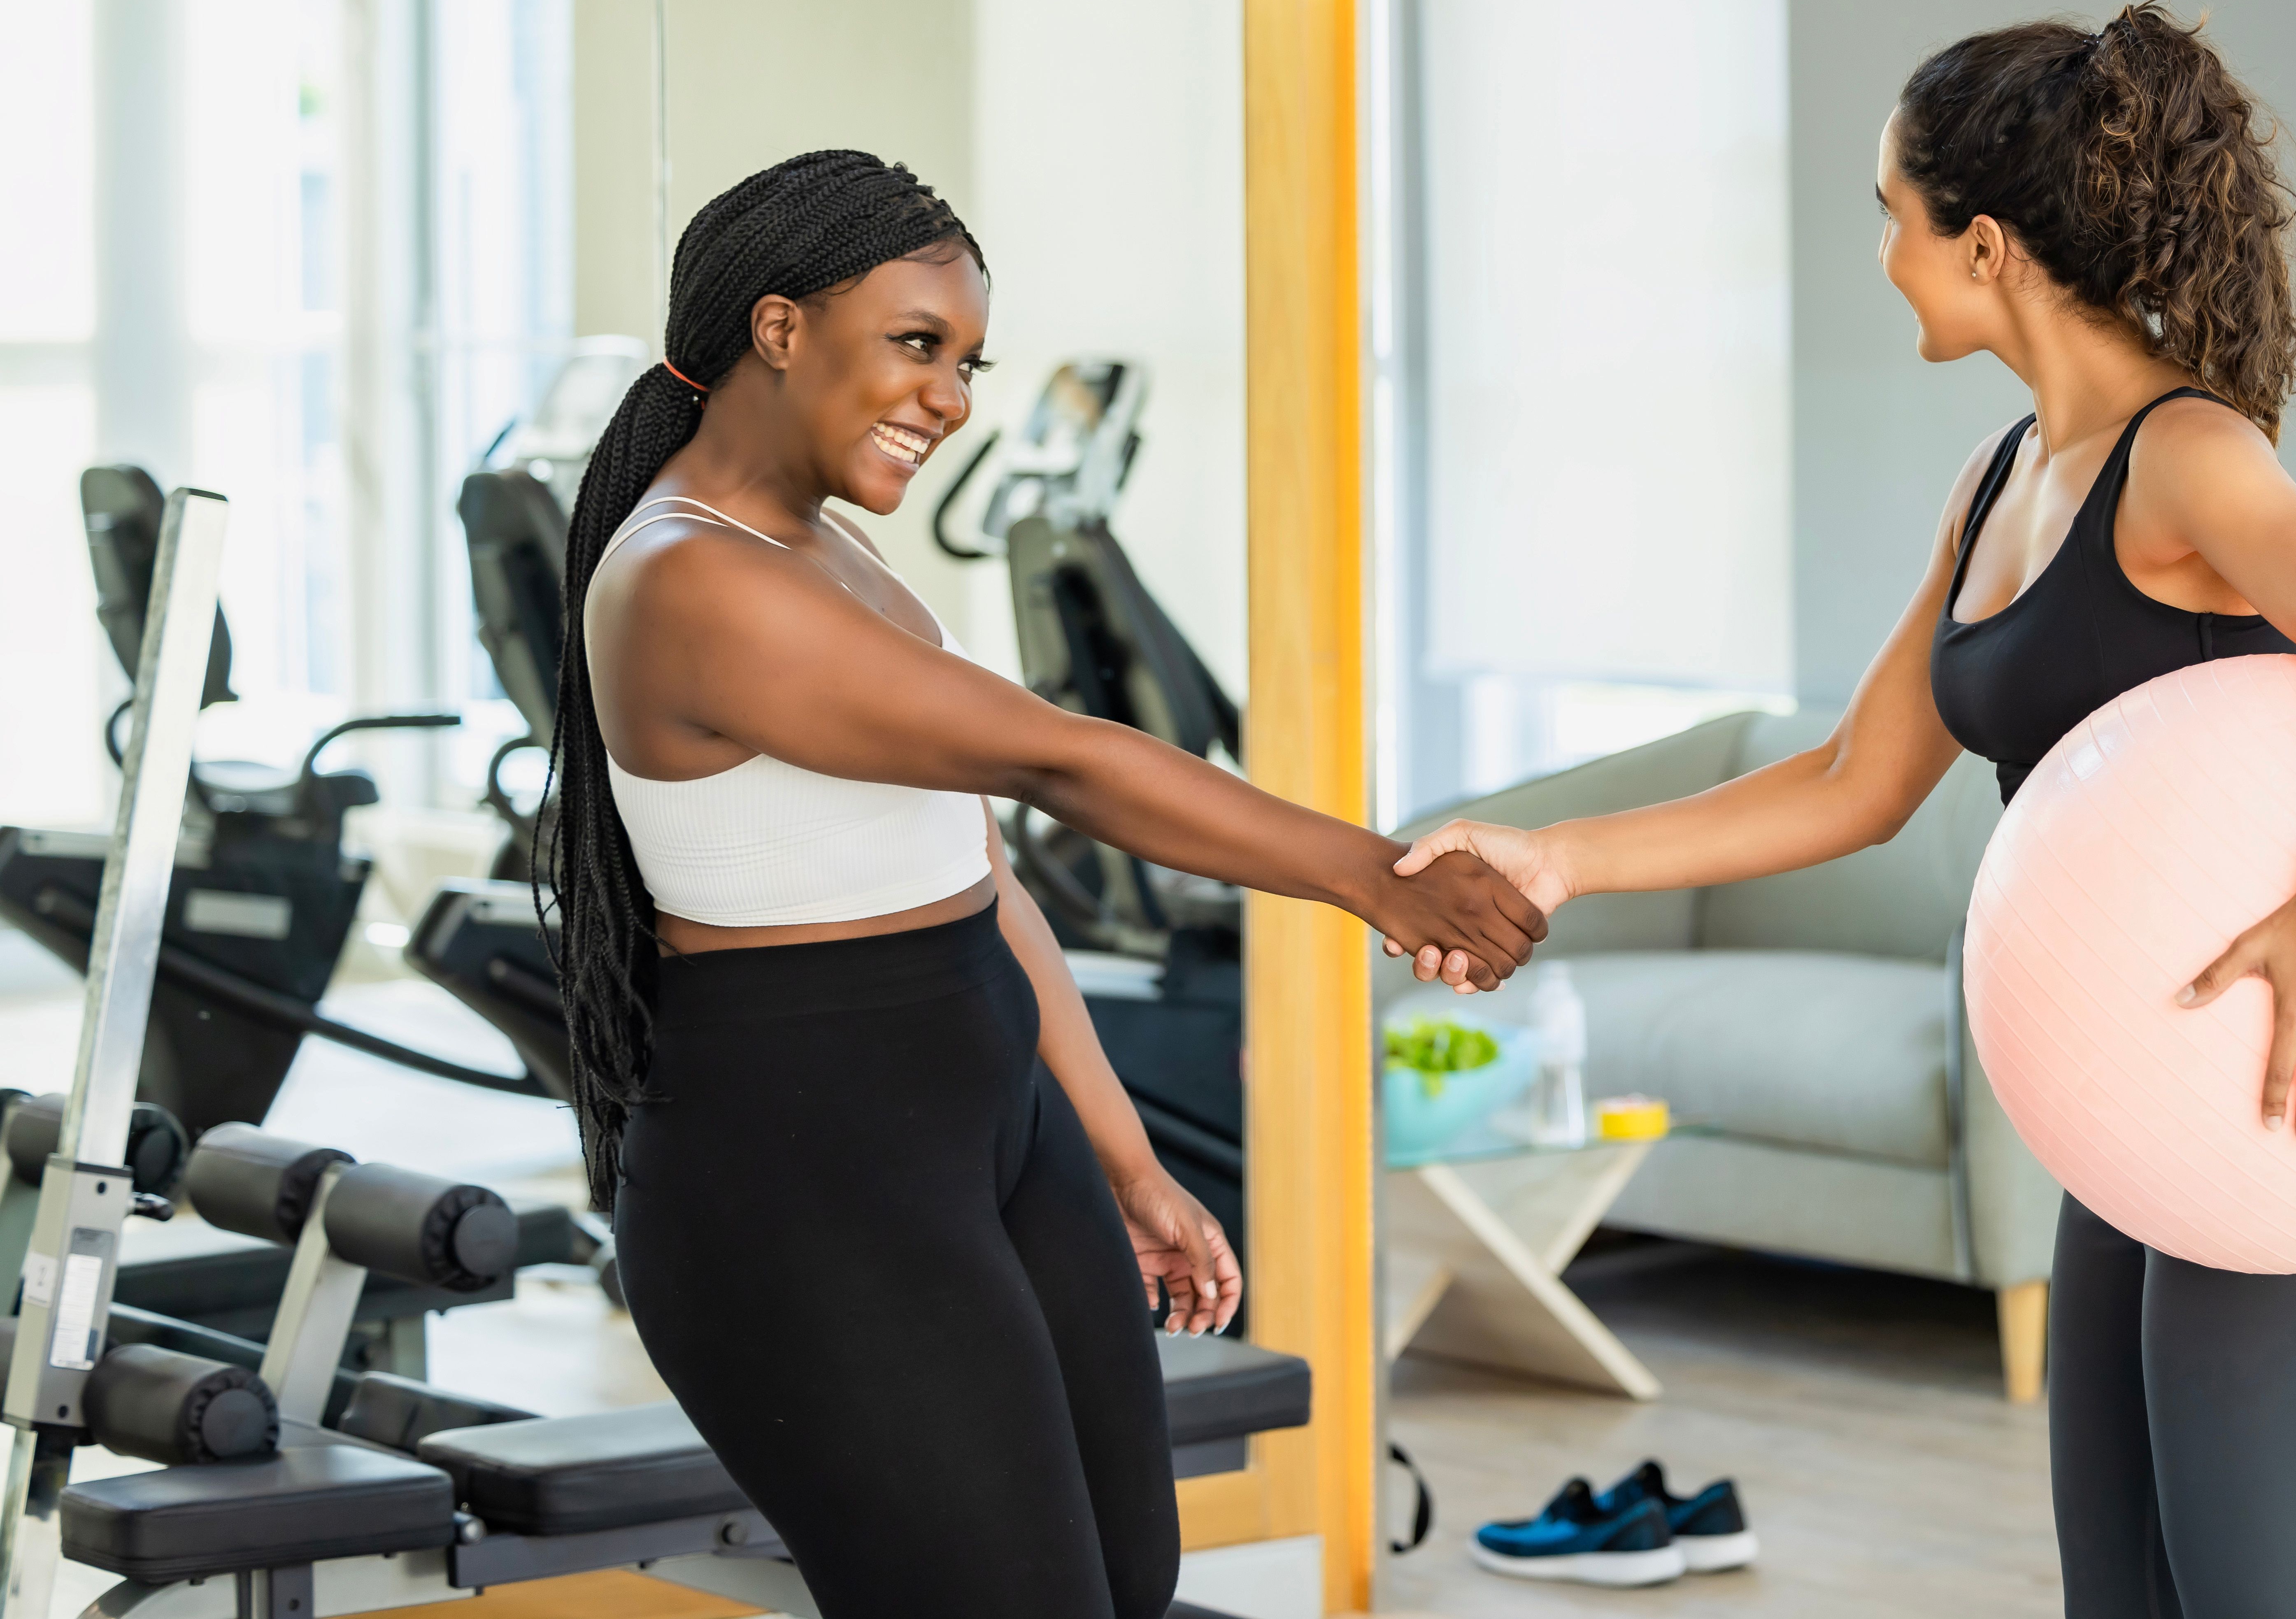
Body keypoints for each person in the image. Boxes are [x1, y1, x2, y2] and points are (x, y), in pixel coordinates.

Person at [1396, 5, 2296, 1619]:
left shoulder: (2185, 455)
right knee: (2124, 1585)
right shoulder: (2007, 473)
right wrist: (1560, 858)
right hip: (2138, 1077)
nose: (1882, 256)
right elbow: (1854, 783)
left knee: (2257, 1595)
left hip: (2280, 1075)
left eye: (1890, 219)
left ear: (1983, 244)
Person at [541, 149, 1544, 1619]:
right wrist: (1376, 876)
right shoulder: (688, 581)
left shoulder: (835, 555)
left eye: (964, 361)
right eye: (917, 346)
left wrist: (1121, 1158)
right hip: (804, 1177)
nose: (951, 398)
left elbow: (982, 877)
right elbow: (1061, 761)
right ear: (777, 328)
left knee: (1126, 1581)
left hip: (986, 1126)